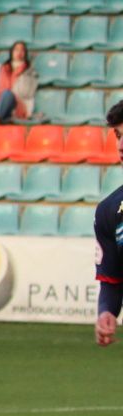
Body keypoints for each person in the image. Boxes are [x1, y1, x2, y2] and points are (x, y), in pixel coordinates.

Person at [90, 102, 123, 348]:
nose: (121, 145)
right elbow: (111, 281)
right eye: (118, 136)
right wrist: (106, 311)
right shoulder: (108, 211)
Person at [0, 41, 36, 124]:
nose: (19, 52)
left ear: (25, 53)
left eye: (22, 50)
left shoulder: (30, 71)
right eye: (16, 50)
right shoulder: (2, 69)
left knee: (7, 93)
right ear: (11, 52)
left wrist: (8, 94)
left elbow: (25, 92)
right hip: (1, 102)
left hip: (18, 104)